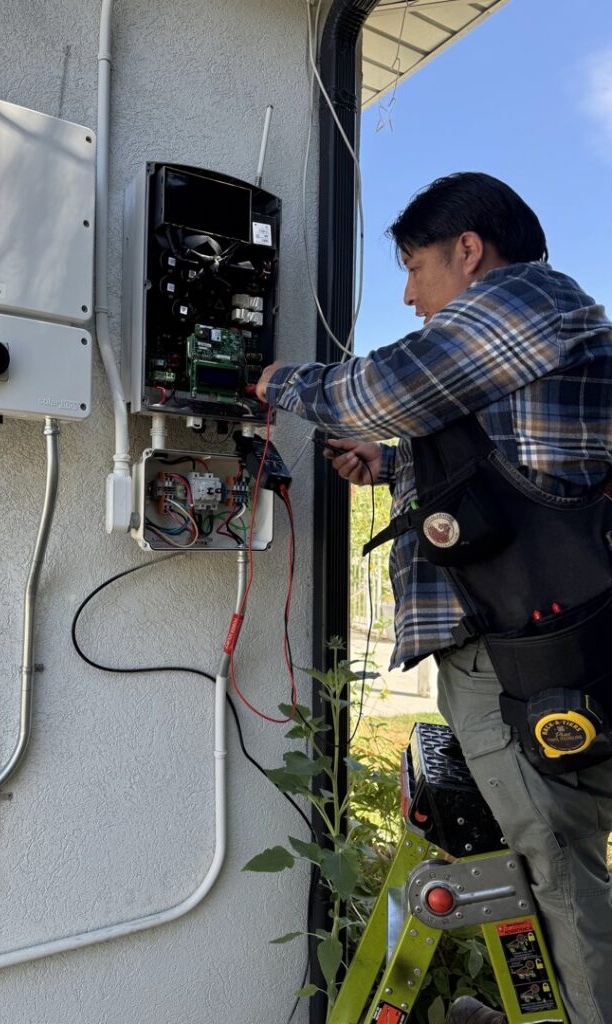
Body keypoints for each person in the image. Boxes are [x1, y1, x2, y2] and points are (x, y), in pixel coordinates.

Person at [256, 172, 612, 1024]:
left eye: (416, 269)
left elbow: (380, 389)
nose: (412, 296)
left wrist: (273, 382)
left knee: (558, 872)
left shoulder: (520, 304)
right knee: (559, 857)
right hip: (548, 643)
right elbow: (513, 477)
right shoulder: (543, 330)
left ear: (469, 250)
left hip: (521, 655)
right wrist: (389, 466)